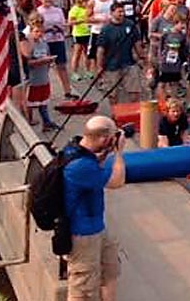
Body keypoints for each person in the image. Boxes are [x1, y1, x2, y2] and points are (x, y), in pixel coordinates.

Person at [63, 115, 126, 301]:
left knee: (110, 272)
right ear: (104, 138)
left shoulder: (78, 150)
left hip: (97, 227)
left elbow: (95, 166)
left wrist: (106, 153)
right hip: (82, 234)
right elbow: (117, 181)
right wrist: (119, 154)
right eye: (112, 136)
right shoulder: (79, 165)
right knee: (83, 288)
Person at [95, 2, 145, 104]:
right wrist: (99, 66)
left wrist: (142, 57)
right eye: (119, 12)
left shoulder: (130, 25)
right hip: (111, 65)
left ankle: (132, 113)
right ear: (112, 13)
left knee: (134, 91)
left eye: (123, 11)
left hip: (129, 63)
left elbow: (137, 42)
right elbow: (100, 49)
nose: (122, 14)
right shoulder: (106, 29)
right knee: (112, 94)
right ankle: (116, 115)